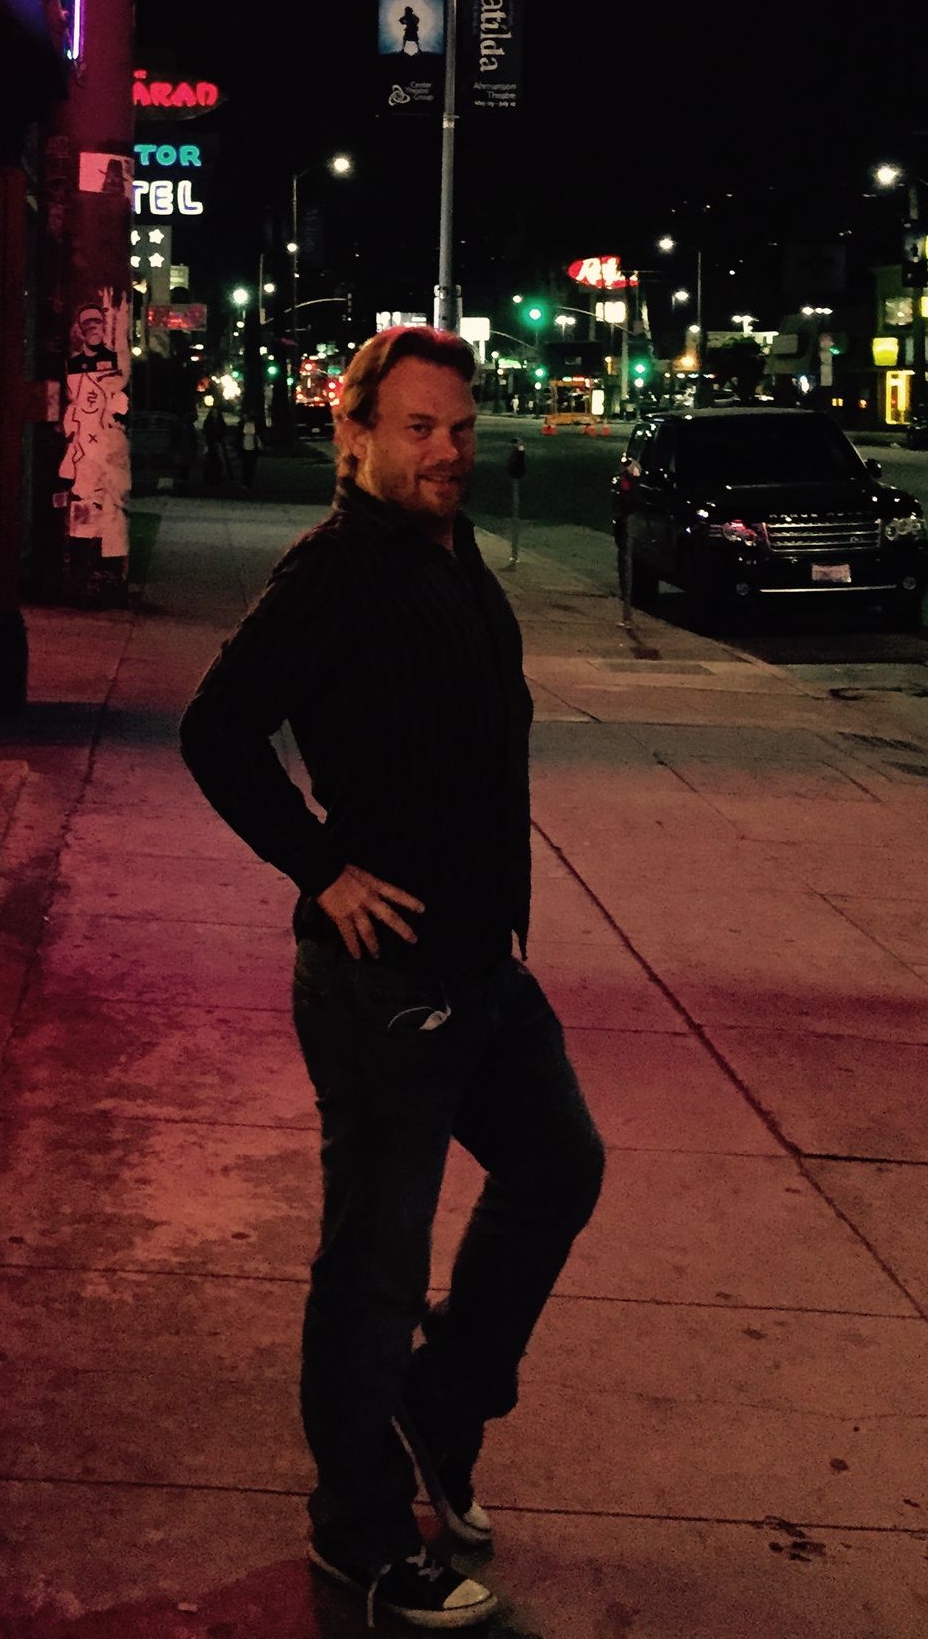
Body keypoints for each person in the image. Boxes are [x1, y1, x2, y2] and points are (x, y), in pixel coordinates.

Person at [179, 327, 603, 1630]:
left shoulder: (449, 548)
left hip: (480, 969)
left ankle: (440, 1401)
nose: (447, 453)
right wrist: (323, 870)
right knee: (374, 1260)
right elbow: (218, 729)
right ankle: (357, 1532)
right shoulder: (337, 569)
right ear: (354, 435)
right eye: (419, 429)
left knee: (558, 1167)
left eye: (461, 431)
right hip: (387, 985)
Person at [239, 411, 261, 491]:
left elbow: (257, 436)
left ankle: (249, 483)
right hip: (245, 447)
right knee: (245, 466)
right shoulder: (242, 425)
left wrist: (258, 444)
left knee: (251, 466)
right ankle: (245, 482)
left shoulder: (255, 425)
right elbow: (239, 436)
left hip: (252, 448)